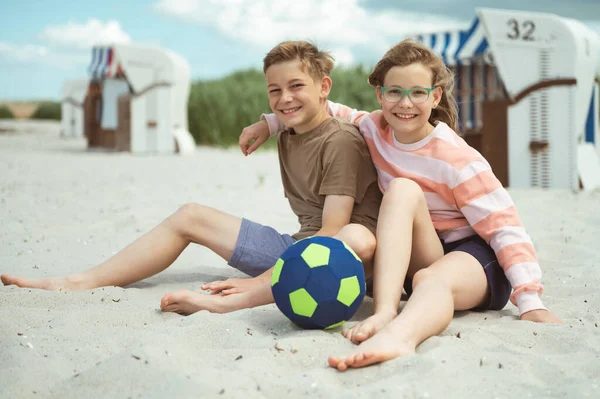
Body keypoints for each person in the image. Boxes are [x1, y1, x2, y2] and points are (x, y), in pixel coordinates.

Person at [239, 39, 562, 371]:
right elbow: (328, 110)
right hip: (422, 253)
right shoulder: (374, 128)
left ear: (435, 96)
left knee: (425, 260)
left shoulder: (458, 160)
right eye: (394, 92)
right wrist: (270, 123)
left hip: (474, 259)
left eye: (418, 93)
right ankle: (385, 309)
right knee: (404, 202)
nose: (405, 103)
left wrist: (529, 299)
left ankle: (400, 336)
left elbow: (504, 226)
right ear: (380, 95)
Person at [1, 41, 382, 316]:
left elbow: (331, 234)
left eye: (297, 86)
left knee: (339, 240)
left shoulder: (341, 141)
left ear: (324, 87)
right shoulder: (287, 129)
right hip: (296, 246)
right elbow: (287, 116)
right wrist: (267, 123)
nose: (285, 98)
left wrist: (255, 281)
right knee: (189, 215)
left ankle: (227, 303)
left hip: (341, 258)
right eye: (275, 90)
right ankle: (81, 281)